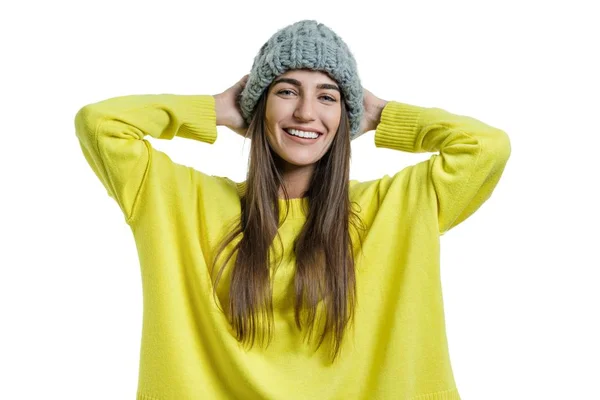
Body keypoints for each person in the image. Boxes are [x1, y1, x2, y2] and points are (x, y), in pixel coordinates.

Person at [74, 19, 510, 400]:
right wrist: (216, 110)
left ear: (347, 115)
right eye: (286, 91)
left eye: (327, 97)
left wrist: (379, 112)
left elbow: (487, 148)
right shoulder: (178, 201)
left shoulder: (398, 206)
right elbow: (99, 124)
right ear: (258, 106)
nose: (305, 112)